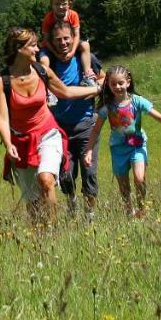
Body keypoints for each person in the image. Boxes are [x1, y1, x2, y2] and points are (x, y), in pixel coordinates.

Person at [0, 26, 102, 224]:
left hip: (47, 133)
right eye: (33, 46)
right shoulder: (3, 82)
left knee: (46, 179)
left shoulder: (41, 71)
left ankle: (53, 232)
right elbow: (2, 118)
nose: (38, 50)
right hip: (21, 141)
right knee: (33, 202)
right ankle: (40, 238)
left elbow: (66, 92)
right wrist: (8, 144)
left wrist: (97, 90)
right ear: (19, 49)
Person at [84, 65, 161, 217]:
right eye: (113, 84)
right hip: (118, 149)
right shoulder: (107, 108)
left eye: (121, 83)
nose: (117, 87)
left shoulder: (137, 101)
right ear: (108, 85)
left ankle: (142, 209)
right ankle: (130, 211)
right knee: (124, 186)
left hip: (137, 145)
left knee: (139, 178)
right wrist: (89, 150)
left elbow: (158, 115)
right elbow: (96, 130)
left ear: (128, 82)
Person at [38, 20, 100, 219]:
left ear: (74, 39)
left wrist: (97, 88)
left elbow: (104, 79)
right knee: (66, 175)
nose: (63, 43)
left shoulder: (85, 59)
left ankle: (90, 215)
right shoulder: (49, 62)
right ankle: (72, 203)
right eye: (58, 40)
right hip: (60, 130)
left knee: (89, 172)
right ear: (52, 43)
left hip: (86, 125)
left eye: (66, 38)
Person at [40, 0, 96, 85]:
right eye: (57, 4)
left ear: (69, 4)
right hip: (51, 44)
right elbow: (46, 39)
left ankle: (87, 76)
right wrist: (56, 54)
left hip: (69, 42)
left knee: (85, 45)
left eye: (64, 4)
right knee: (43, 60)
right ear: (52, 5)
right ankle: (46, 83)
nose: (60, 7)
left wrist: (72, 52)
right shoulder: (48, 18)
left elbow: (77, 35)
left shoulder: (73, 15)